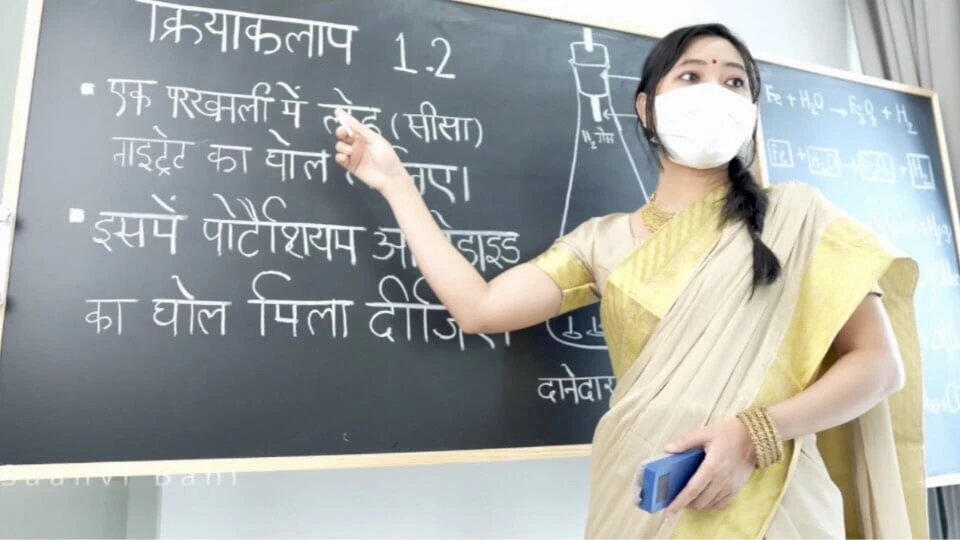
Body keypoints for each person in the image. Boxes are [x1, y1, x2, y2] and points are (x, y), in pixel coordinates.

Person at [331, 23, 927, 539]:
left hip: (775, 504)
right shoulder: (603, 242)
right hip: (640, 503)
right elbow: (479, 307)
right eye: (691, 76)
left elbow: (879, 366)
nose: (715, 92)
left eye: (734, 82)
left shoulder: (797, 219)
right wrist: (395, 183)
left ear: (751, 111)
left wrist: (755, 435)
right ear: (646, 108)